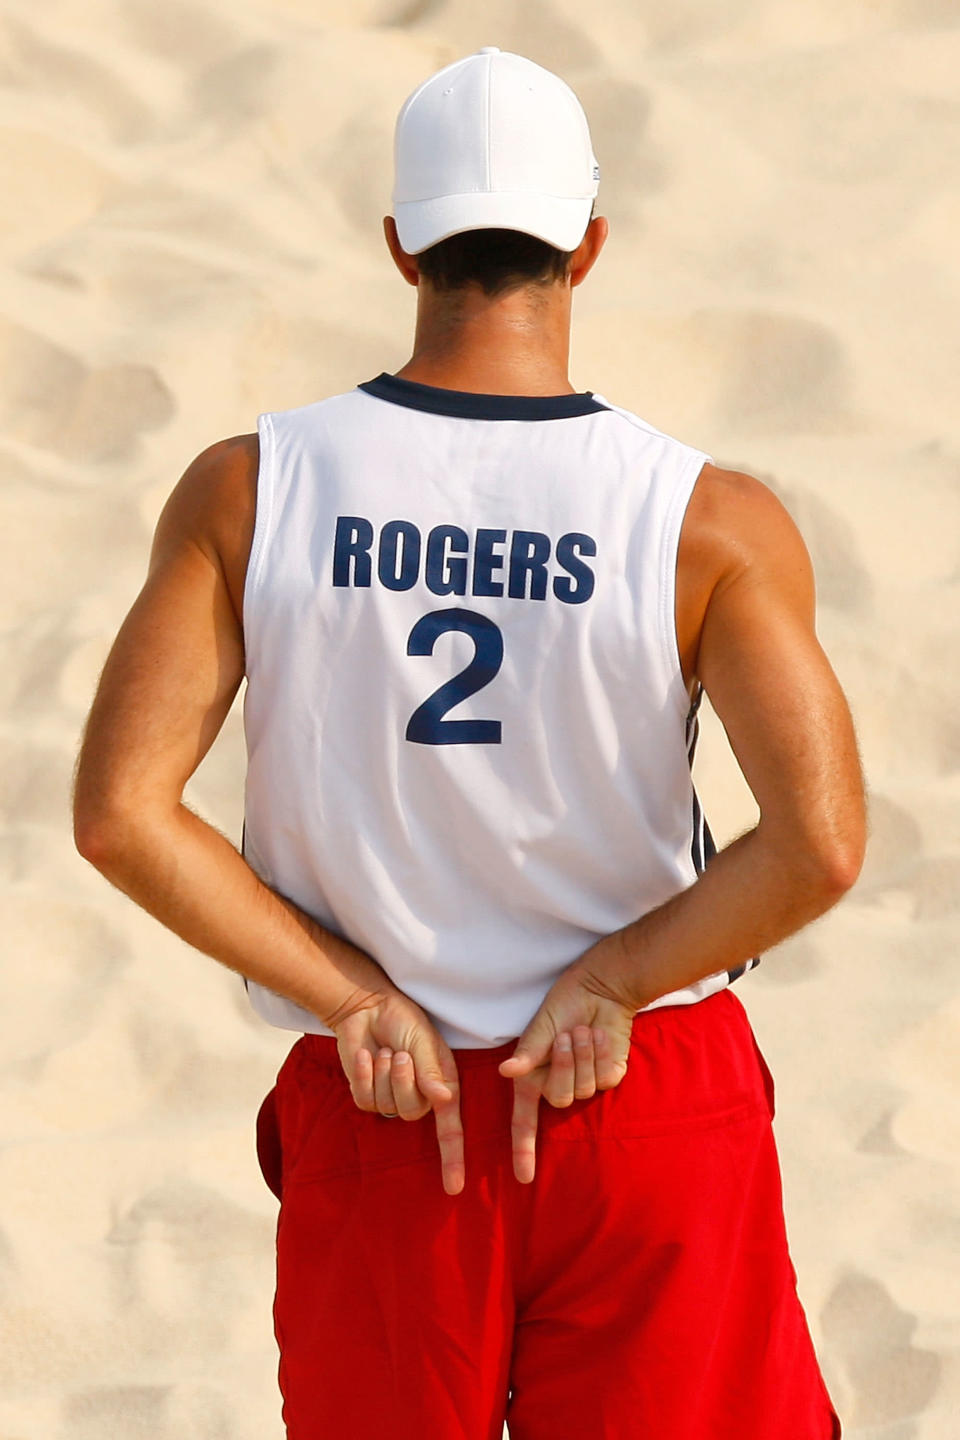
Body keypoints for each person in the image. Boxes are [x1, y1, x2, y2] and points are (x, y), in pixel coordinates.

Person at [73, 45, 864, 1440]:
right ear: (590, 246)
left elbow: (120, 814)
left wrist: (350, 994)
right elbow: (822, 843)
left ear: (400, 245)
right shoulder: (706, 520)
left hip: (392, 1098)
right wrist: (618, 976)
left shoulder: (255, 486)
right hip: (635, 1096)